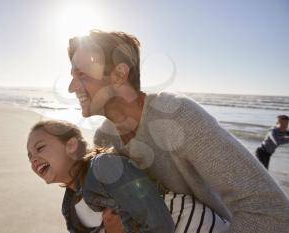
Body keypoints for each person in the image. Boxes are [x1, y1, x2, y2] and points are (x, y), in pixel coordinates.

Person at [67, 30, 289, 232]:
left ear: (118, 75)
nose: (71, 87)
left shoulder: (178, 117)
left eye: (81, 75)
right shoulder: (104, 138)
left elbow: (268, 210)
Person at [26, 120, 229, 233]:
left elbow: (160, 224)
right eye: (29, 157)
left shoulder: (104, 167)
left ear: (70, 146)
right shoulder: (69, 209)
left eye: (40, 148)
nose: (34, 160)